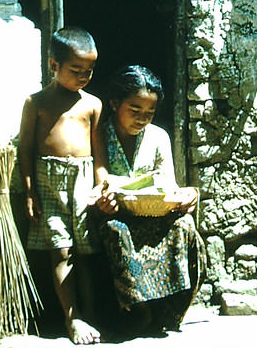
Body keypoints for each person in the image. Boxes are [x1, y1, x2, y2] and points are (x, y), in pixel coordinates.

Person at [94, 64, 206, 335]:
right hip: (117, 216)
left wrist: (188, 195)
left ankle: (170, 309)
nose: (142, 118)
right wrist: (105, 200)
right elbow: (98, 183)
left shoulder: (158, 137)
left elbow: (168, 184)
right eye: (135, 111)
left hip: (154, 215)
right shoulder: (99, 136)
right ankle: (137, 310)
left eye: (149, 113)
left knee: (185, 226)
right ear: (114, 103)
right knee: (114, 231)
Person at [18, 26, 108, 345]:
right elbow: (25, 150)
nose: (84, 76)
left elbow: (99, 155)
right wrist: (29, 191)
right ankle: (73, 320)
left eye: (89, 70)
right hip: (48, 183)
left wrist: (102, 186)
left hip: (82, 184)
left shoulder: (92, 105)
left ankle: (92, 316)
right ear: (53, 65)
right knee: (61, 250)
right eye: (76, 70)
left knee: (84, 253)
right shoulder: (36, 103)